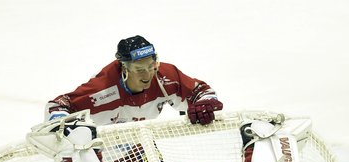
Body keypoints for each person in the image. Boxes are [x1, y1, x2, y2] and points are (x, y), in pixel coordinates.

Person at [46, 35, 223, 125]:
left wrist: (205, 104)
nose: (147, 75)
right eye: (139, 70)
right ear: (124, 68)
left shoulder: (165, 76)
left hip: (138, 145)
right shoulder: (103, 88)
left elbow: (202, 91)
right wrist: (61, 120)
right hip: (101, 150)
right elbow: (59, 105)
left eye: (151, 66)